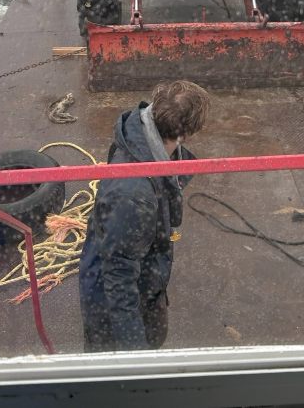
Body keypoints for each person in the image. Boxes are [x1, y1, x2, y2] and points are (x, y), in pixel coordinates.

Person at [78, 80, 210, 352]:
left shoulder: (139, 137)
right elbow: (118, 278)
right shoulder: (133, 194)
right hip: (115, 313)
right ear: (187, 132)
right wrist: (135, 356)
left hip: (144, 285)